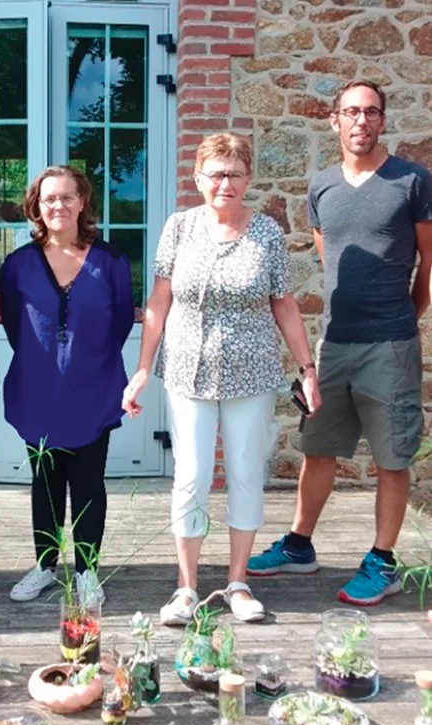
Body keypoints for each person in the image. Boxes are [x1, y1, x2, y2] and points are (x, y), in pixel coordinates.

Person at [123, 133, 321, 625]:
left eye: (234, 173)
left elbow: (286, 306)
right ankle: (186, 588)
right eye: (215, 173)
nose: (224, 183)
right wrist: (143, 368)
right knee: (190, 477)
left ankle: (237, 582)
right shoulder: (179, 228)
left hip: (251, 374)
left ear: (248, 178)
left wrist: (308, 370)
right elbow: (159, 303)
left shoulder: (267, 234)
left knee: (245, 474)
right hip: (187, 372)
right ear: (197, 177)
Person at [248, 81, 432, 605]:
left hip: (390, 343)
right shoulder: (322, 185)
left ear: (382, 121)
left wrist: (404, 317)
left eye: (371, 112)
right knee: (318, 448)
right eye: (351, 111)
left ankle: (383, 561)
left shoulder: (413, 182)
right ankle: (300, 546)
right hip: (334, 344)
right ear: (334, 120)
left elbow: (427, 267)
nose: (361, 121)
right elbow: (332, 264)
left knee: (392, 458)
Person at [1, 166, 134, 607]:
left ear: (82, 202)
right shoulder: (19, 264)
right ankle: (44, 565)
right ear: (36, 207)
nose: (57, 206)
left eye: (67, 197)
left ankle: (87, 570)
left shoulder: (111, 260)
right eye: (48, 199)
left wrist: (82, 358)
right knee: (45, 483)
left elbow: (119, 322)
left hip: (94, 389)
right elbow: (15, 324)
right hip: (38, 391)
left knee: (89, 483)